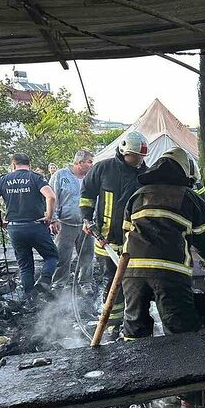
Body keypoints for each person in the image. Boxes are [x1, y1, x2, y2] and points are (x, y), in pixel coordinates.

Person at [121, 148, 205, 338]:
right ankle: (183, 367)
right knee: (180, 333)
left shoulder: (138, 195)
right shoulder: (189, 198)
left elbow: (126, 233)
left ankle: (136, 366)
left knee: (135, 329)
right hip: (169, 273)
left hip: (132, 273)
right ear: (186, 173)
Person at [80, 131, 148, 331]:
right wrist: (86, 217)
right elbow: (87, 195)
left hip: (133, 241)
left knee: (134, 282)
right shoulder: (103, 169)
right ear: (125, 151)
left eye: (142, 157)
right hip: (105, 240)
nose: (139, 161)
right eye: (135, 156)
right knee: (112, 282)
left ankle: (133, 321)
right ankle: (112, 324)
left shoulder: (145, 175)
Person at [0, 153, 58, 300]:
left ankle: (30, 299)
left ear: (13, 165)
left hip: (15, 229)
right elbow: (51, 196)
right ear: (29, 164)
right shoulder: (36, 178)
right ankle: (44, 282)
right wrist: (49, 217)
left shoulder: (3, 180)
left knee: (25, 266)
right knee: (51, 256)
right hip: (36, 225)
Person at [50, 150, 95, 292]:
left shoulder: (91, 177)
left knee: (87, 255)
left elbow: (98, 198)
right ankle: (59, 283)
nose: (91, 165)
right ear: (79, 163)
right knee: (63, 255)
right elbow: (52, 198)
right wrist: (53, 219)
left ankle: (85, 282)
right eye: (89, 162)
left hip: (86, 224)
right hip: (65, 223)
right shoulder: (61, 176)